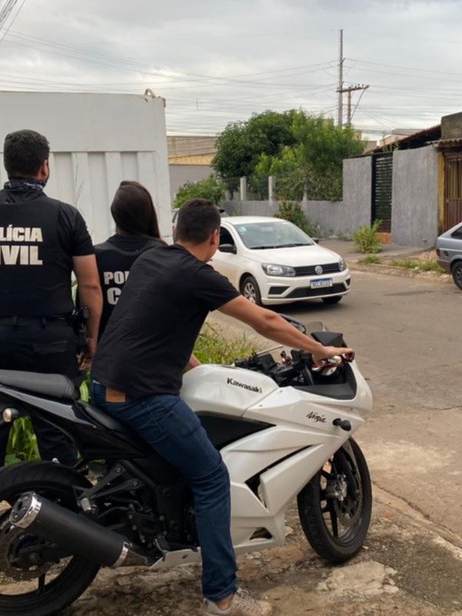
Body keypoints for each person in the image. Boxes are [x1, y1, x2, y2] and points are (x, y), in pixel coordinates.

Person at [89, 199, 352, 616]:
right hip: (140, 395)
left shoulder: (153, 257)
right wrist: (318, 348)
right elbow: (263, 321)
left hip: (104, 383)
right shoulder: (198, 275)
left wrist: (199, 366)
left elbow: (154, 325)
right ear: (215, 237)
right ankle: (222, 597)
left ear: (177, 232)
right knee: (211, 476)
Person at [0, 129, 103, 492]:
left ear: (7, 165)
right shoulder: (66, 216)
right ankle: (65, 520)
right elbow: (90, 286)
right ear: (44, 167)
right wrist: (91, 340)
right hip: (51, 344)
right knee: (58, 435)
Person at [93, 180, 165, 340]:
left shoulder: (97, 255)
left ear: (115, 214)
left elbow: (88, 307)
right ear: (148, 212)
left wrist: (90, 341)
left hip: (109, 352)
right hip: (154, 351)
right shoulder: (162, 252)